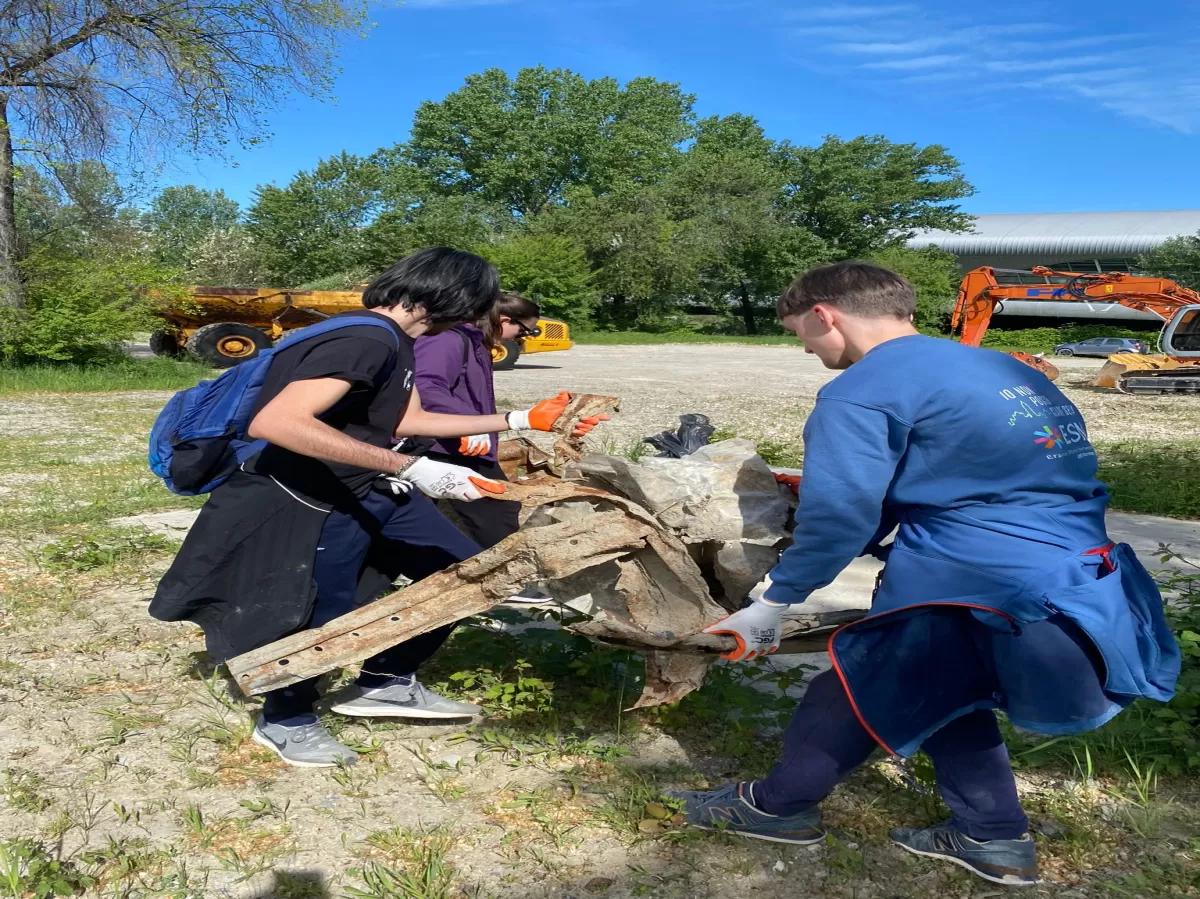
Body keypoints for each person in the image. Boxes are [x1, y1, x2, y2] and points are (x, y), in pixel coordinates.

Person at [671, 262, 1179, 886]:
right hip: (1071, 566)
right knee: (949, 692)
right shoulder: (1004, 370)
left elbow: (841, 517)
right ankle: (993, 836)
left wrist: (775, 600)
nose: (804, 347)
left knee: (864, 680)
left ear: (824, 315)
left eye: (799, 332)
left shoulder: (861, 390)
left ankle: (777, 807)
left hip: (969, 574)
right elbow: (973, 471)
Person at [150, 248, 605, 768]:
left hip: (372, 487)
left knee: (469, 574)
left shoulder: (397, 339)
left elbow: (407, 420)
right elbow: (277, 422)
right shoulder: (364, 339)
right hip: (316, 496)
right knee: (321, 607)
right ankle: (286, 718)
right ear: (457, 297)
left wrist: (519, 419)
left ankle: (386, 681)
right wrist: (408, 467)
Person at [411, 293, 549, 549]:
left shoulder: (475, 342)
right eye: (524, 331)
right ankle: (510, 568)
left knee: (416, 517)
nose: (522, 337)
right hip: (446, 445)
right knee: (499, 512)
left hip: (459, 443)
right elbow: (425, 387)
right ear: (505, 320)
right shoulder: (447, 340)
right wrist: (468, 423)